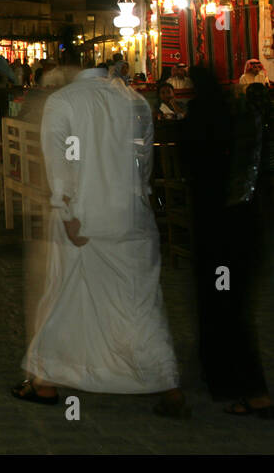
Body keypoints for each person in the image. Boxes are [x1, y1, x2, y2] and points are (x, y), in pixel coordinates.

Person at [13, 64, 187, 417]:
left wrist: (66, 210)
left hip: (85, 216)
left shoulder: (64, 102)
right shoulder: (135, 101)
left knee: (65, 294)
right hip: (131, 216)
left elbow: (61, 162)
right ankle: (168, 385)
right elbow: (143, 162)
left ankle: (46, 379)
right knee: (140, 304)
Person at [182, 68, 272, 416]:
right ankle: (228, 378)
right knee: (233, 307)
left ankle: (249, 388)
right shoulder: (238, 117)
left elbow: (196, 168)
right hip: (243, 228)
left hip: (216, 232)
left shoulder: (201, 119)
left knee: (222, 307)